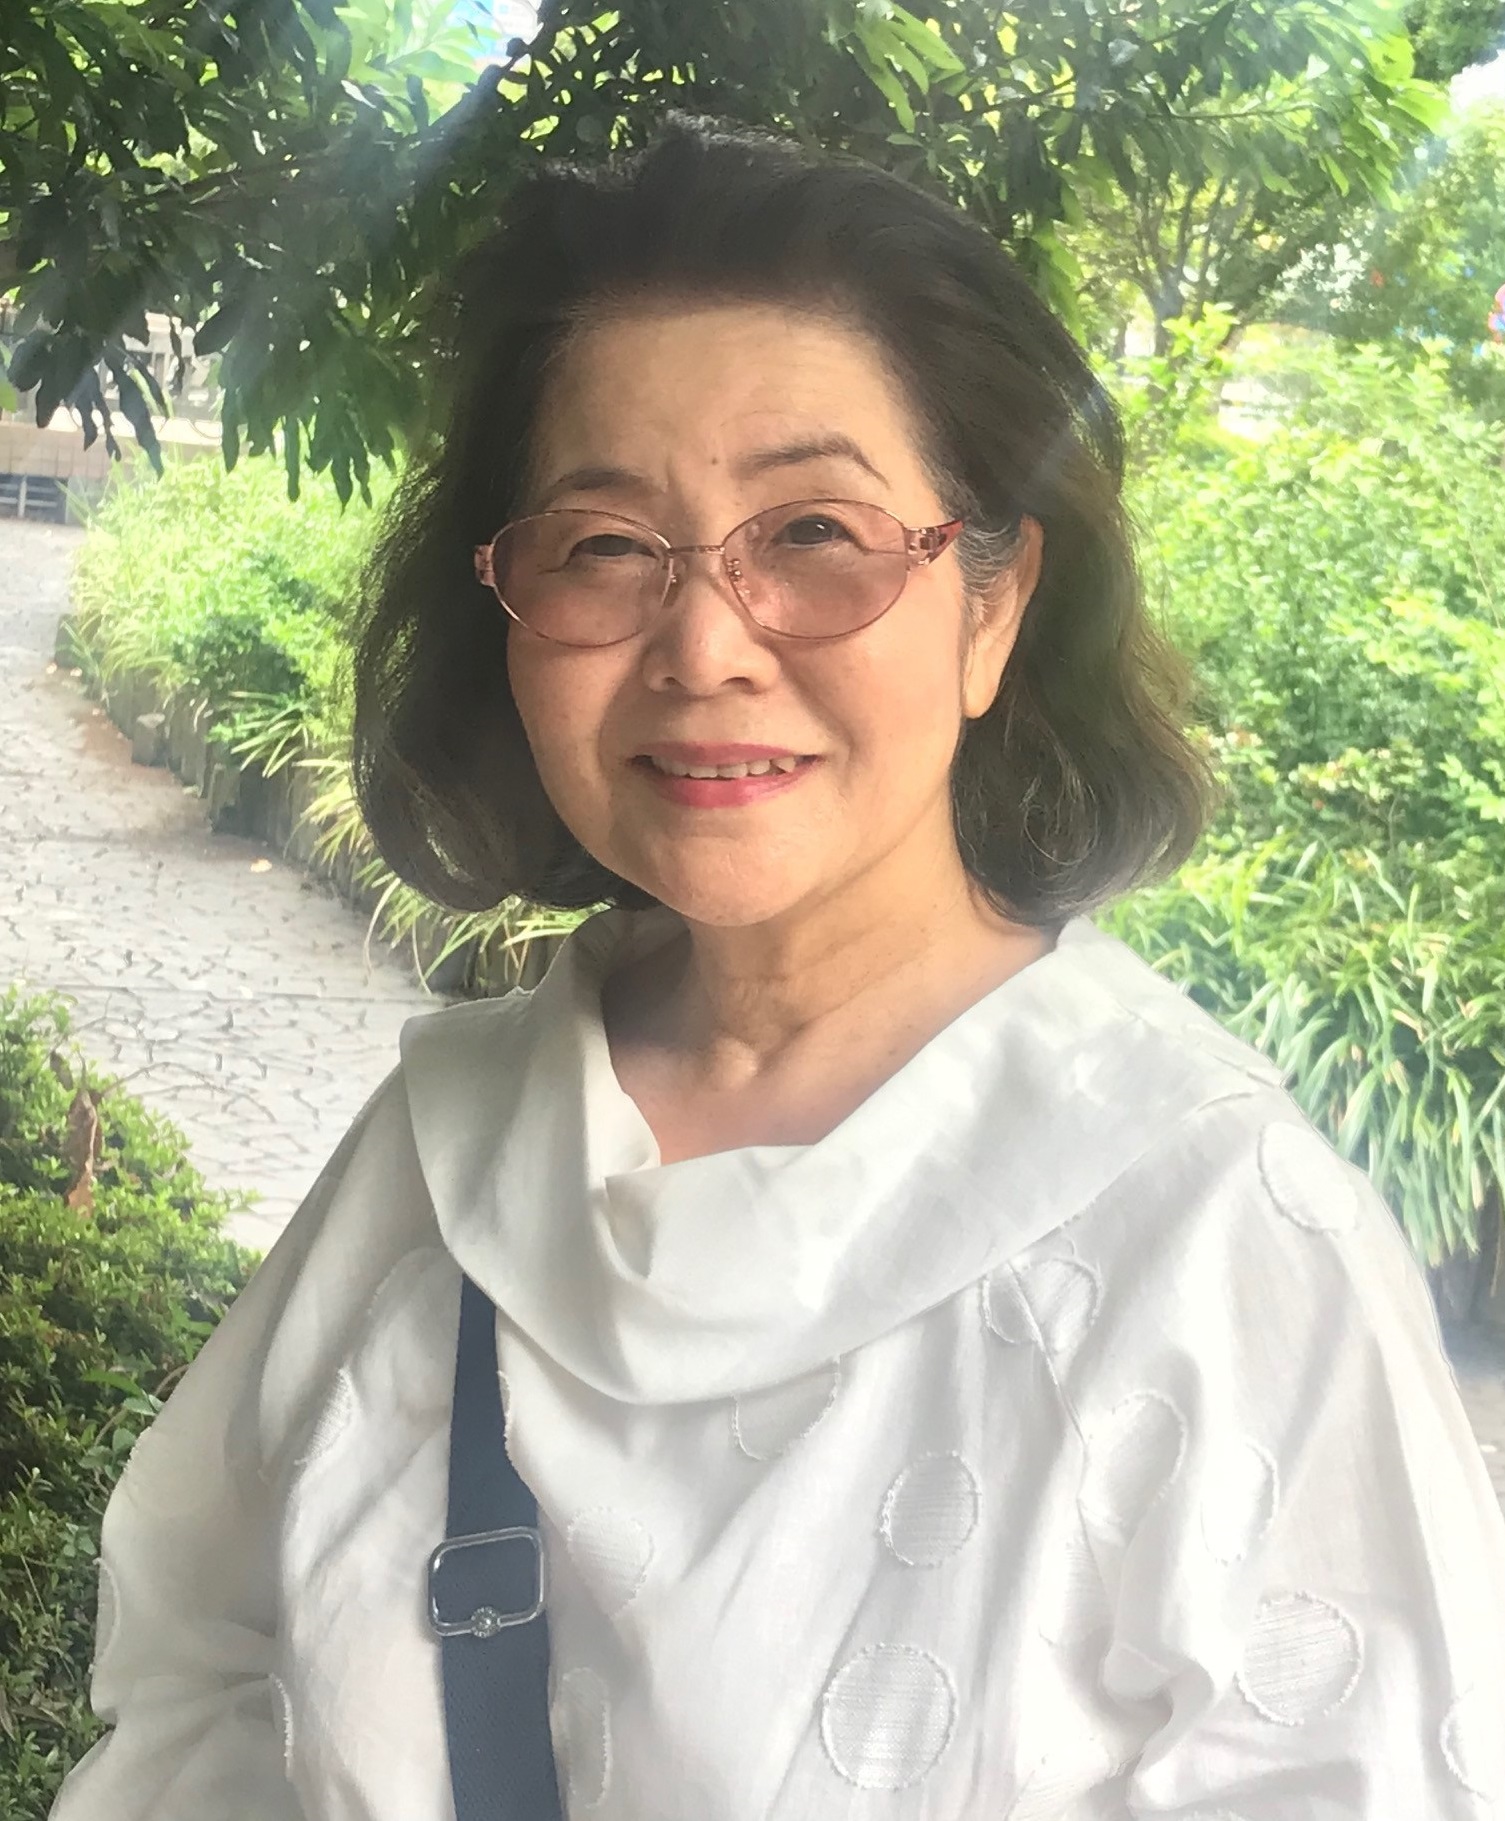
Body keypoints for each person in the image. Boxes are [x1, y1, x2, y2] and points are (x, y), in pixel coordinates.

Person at [53, 116, 1505, 1820]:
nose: (703, 645)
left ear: (989, 606)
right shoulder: (454, 1151)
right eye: (603, 544)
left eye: (813, 530)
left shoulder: (1211, 1238)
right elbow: (201, 1680)